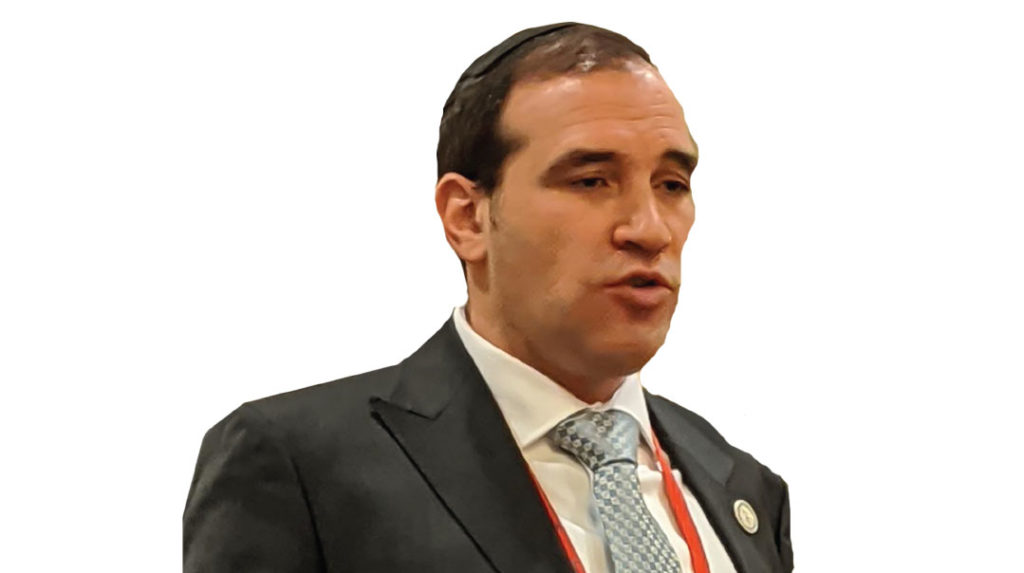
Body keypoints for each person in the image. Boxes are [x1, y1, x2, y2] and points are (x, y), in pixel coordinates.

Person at [183, 22, 793, 573]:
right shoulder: (302, 467)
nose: (650, 229)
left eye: (672, 184)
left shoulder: (745, 489)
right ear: (467, 217)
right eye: (591, 181)